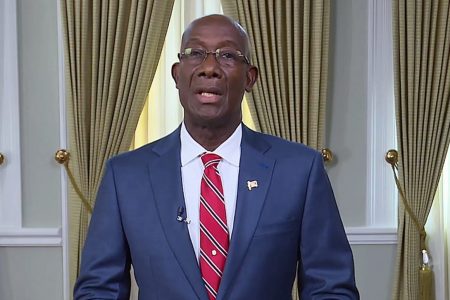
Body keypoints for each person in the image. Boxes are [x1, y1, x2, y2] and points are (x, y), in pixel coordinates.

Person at [74, 14, 359, 300]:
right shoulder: (125, 176)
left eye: (227, 55)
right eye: (195, 53)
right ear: (177, 74)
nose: (209, 68)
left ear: (250, 78)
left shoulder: (299, 170)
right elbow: (99, 291)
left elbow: (331, 288)